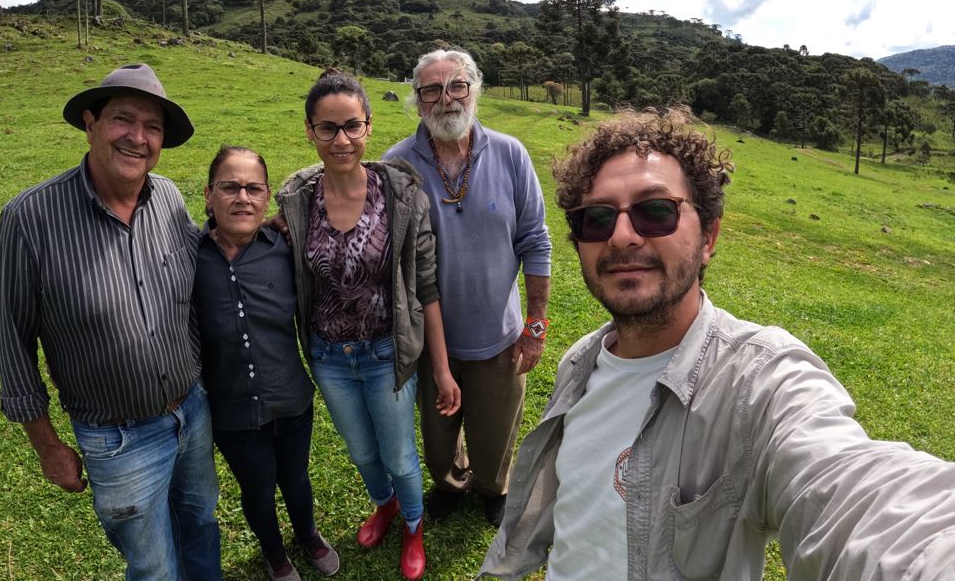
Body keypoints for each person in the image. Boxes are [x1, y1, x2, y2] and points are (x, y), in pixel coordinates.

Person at [480, 107, 955, 580]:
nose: (622, 236)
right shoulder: (581, 361)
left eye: (656, 212)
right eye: (597, 219)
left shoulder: (760, 383)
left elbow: (852, 492)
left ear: (708, 236)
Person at [0, 63, 221, 580]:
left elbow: (203, 258)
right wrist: (47, 446)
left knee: (201, 525)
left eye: (153, 127)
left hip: (192, 411)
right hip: (116, 439)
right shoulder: (30, 218)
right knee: (153, 563)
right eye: (123, 119)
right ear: (91, 123)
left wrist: (255, 231)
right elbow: (11, 342)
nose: (138, 137)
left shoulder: (166, 197)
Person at [275, 68, 460, 581]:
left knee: (400, 455)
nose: (342, 140)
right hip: (329, 356)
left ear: (369, 126)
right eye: (328, 128)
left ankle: (414, 526)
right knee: (360, 450)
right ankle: (385, 506)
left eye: (352, 126)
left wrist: (442, 370)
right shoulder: (297, 201)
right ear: (310, 130)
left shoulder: (401, 195)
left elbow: (427, 287)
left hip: (387, 355)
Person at [383, 49, 552, 528]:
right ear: (417, 101)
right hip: (429, 340)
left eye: (457, 86)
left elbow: (535, 240)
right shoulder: (397, 164)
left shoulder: (510, 153)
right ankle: (452, 482)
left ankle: (493, 486)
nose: (446, 99)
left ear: (474, 91)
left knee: (495, 434)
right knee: (437, 438)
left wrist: (535, 323)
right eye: (432, 90)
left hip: (500, 334)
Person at [193, 145, 339, 581]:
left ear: (266, 196)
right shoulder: (187, 256)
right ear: (208, 194)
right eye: (230, 187)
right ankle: (275, 554)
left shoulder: (284, 248)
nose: (243, 198)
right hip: (233, 410)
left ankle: (308, 534)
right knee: (256, 488)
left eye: (254, 189)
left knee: (295, 478)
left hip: (290, 398)